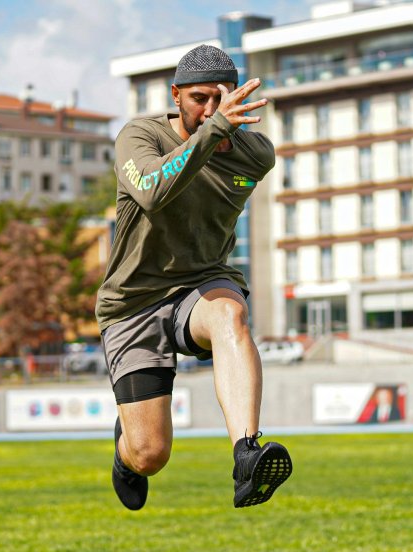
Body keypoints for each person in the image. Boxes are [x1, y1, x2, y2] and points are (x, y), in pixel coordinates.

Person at [96, 44, 293, 511]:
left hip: (201, 283)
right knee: (151, 454)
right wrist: (219, 128)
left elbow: (227, 156)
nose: (210, 110)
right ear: (176, 95)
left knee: (231, 314)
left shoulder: (254, 155)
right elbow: (151, 191)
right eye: (199, 99)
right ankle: (125, 451)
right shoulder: (137, 136)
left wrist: (223, 132)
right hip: (133, 302)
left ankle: (246, 452)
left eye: (220, 99)